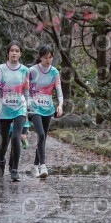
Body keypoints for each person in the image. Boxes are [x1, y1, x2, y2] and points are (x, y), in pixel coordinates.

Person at [0, 40, 29, 182]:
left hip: (20, 106)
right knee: (4, 141)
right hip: (4, 107)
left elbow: (26, 89)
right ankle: (1, 161)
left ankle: (14, 169)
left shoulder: (25, 70)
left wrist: (28, 107)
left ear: (20, 54)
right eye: (12, 50)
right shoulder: (1, 69)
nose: (14, 53)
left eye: (17, 51)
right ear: (7, 53)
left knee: (16, 138)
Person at [28, 45, 63, 178]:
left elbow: (59, 90)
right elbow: (25, 88)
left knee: (43, 138)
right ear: (40, 57)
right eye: (45, 57)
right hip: (34, 107)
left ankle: (35, 166)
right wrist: (26, 104)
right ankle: (43, 166)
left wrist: (60, 105)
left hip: (48, 108)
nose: (48, 60)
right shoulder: (32, 71)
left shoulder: (54, 72)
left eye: (50, 57)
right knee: (41, 134)